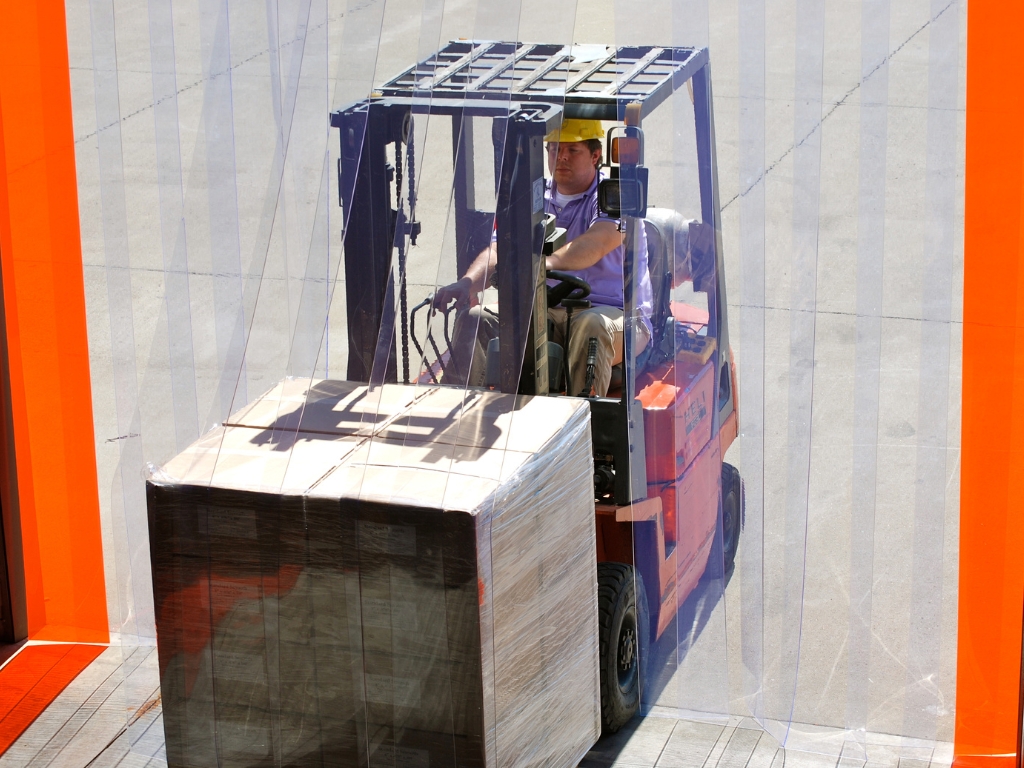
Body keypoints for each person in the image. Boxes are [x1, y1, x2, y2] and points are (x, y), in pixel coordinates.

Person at [434, 119, 653, 397]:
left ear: (595, 155)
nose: (562, 157)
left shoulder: (614, 196)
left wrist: (541, 263)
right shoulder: (532, 195)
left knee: (592, 326)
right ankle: (458, 406)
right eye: (555, 149)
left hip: (615, 315)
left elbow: (595, 244)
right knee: (475, 319)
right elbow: (500, 250)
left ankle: (582, 416)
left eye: (572, 150)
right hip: (542, 310)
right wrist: (467, 283)